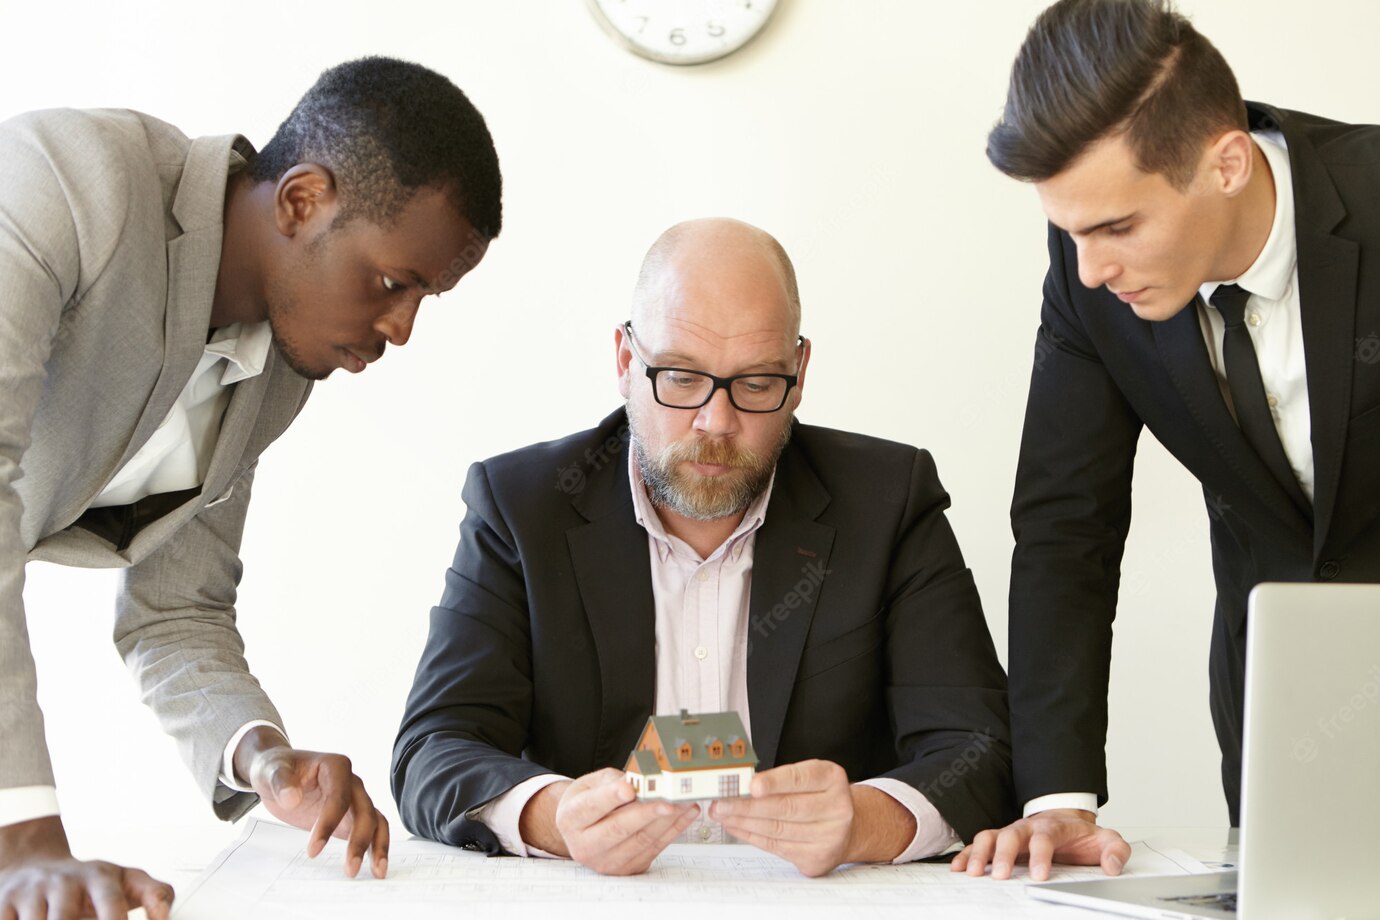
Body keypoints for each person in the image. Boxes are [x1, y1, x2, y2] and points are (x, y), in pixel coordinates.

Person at [0, 57, 501, 918]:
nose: (403, 328)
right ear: (301, 201)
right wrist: (24, 841)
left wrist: (261, 758)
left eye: (427, 299)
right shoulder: (62, 183)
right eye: (393, 283)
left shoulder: (278, 369)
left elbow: (175, 607)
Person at [392, 217, 1014, 878]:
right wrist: (558, 817)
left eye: (754, 384)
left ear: (798, 374)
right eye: (682, 378)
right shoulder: (521, 508)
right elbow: (435, 748)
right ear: (627, 362)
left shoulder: (889, 503)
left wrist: (864, 822)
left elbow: (982, 747)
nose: (717, 423)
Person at [954, 0, 1380, 882]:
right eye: (1070, 230)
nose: (1090, 269)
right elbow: (1068, 524)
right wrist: (1056, 796)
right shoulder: (1090, 284)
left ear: (1227, 162)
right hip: (1284, 721)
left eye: (1116, 228)